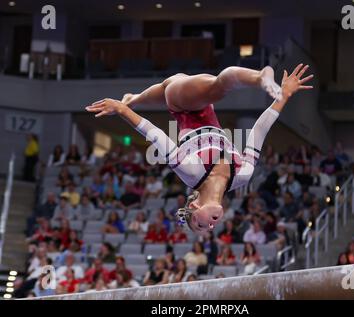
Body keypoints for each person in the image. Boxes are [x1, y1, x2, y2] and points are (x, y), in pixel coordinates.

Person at [86, 64, 313, 235]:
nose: (211, 224)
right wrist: (284, 96)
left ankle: (259, 77)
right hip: (200, 105)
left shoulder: (191, 173)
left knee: (216, 88)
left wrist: (121, 111)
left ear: (194, 205)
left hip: (183, 107)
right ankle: (132, 98)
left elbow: (155, 135)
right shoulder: (241, 176)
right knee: (177, 83)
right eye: (210, 227)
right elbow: (259, 131)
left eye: (201, 223)